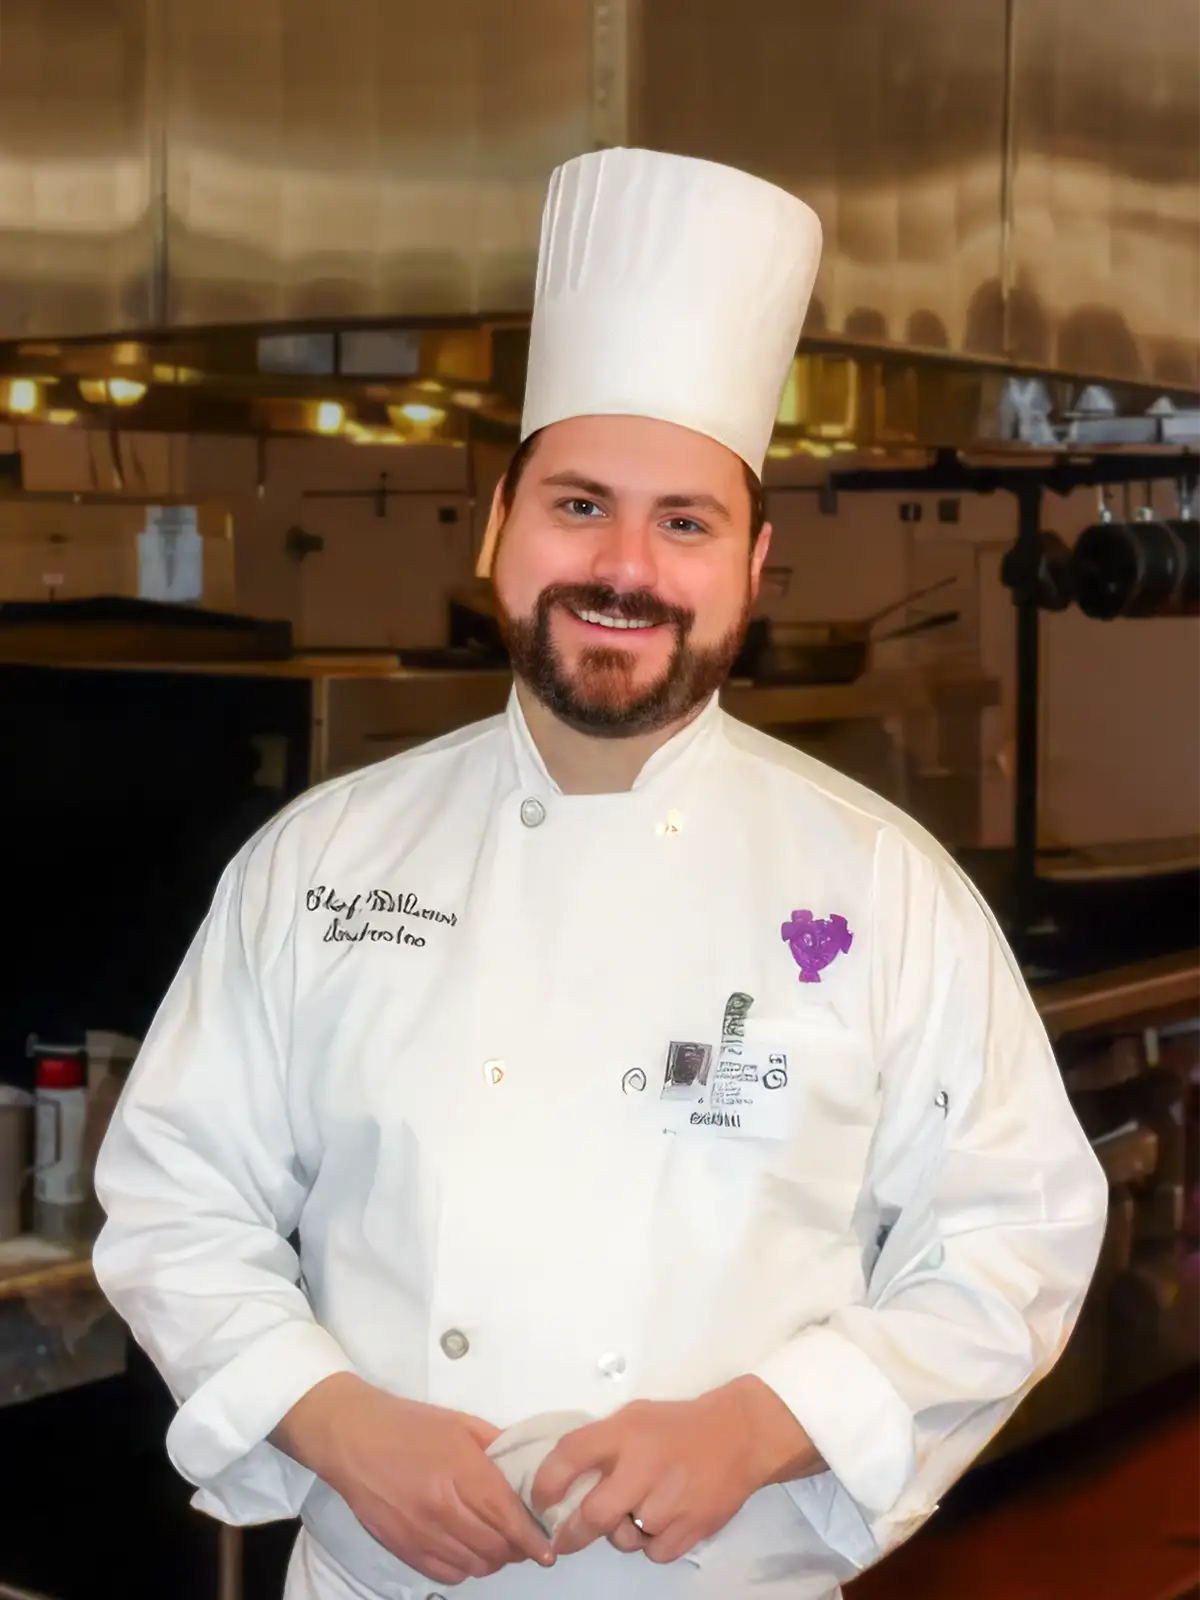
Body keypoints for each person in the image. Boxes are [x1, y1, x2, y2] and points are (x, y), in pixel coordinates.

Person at [93, 147, 1109, 1600]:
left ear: (753, 564)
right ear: (498, 530)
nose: (623, 566)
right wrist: (338, 1419)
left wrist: (767, 1424)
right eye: (579, 505)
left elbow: (1016, 1239)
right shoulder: (320, 865)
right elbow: (177, 1198)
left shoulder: (884, 890)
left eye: (682, 521)